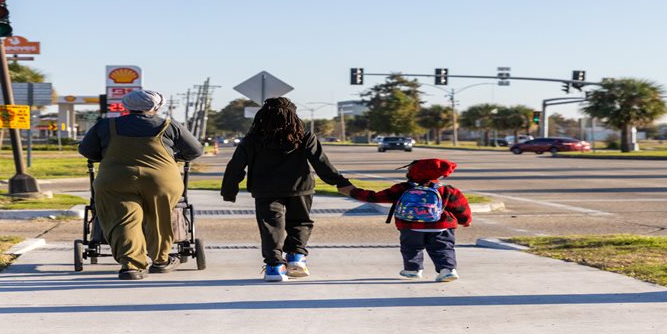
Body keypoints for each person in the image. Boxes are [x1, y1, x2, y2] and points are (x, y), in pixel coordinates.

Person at [221, 97, 352, 282]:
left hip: (266, 189)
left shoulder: (252, 140)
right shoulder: (305, 137)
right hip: (300, 188)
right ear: (293, 115)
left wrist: (229, 190)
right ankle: (296, 258)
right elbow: (321, 163)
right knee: (300, 222)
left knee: (271, 227)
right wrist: (341, 183)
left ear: (262, 116)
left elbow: (235, 166)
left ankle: (274, 267)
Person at [79, 90, 203, 280]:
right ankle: (161, 261)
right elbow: (195, 150)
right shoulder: (169, 126)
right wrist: (174, 158)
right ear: (155, 107)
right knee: (159, 217)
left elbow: (88, 151)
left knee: (123, 221)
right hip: (161, 180)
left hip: (116, 179)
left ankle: (131, 266)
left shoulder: (106, 125)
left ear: (126, 106)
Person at [340, 158, 471, 282]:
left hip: (410, 225)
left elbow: (375, 197)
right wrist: (465, 220)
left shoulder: (402, 188)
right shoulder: (447, 190)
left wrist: (353, 191)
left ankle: (413, 270)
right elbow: (461, 207)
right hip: (442, 226)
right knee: (442, 248)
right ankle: (448, 270)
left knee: (411, 247)